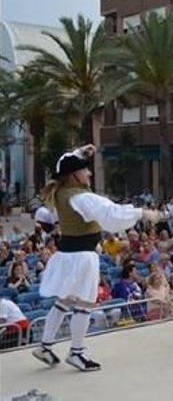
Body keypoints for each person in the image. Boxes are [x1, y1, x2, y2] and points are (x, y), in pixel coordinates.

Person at [33, 145, 162, 371]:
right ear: (74, 175)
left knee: (64, 300)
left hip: (67, 255)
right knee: (84, 304)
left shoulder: (63, 191)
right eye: (85, 170)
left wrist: (82, 152)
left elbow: (63, 160)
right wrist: (142, 212)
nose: (89, 173)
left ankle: (45, 346)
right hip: (82, 257)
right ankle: (76, 353)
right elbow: (111, 214)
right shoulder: (81, 197)